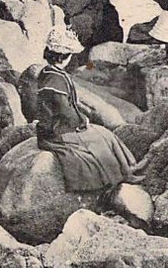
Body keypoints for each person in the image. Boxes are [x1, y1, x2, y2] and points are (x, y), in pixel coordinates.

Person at [37, 26, 149, 190]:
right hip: (57, 131)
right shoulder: (54, 79)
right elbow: (64, 111)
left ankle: (130, 167)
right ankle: (122, 175)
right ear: (64, 57)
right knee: (99, 139)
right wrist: (82, 121)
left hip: (60, 126)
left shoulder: (48, 73)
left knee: (105, 134)